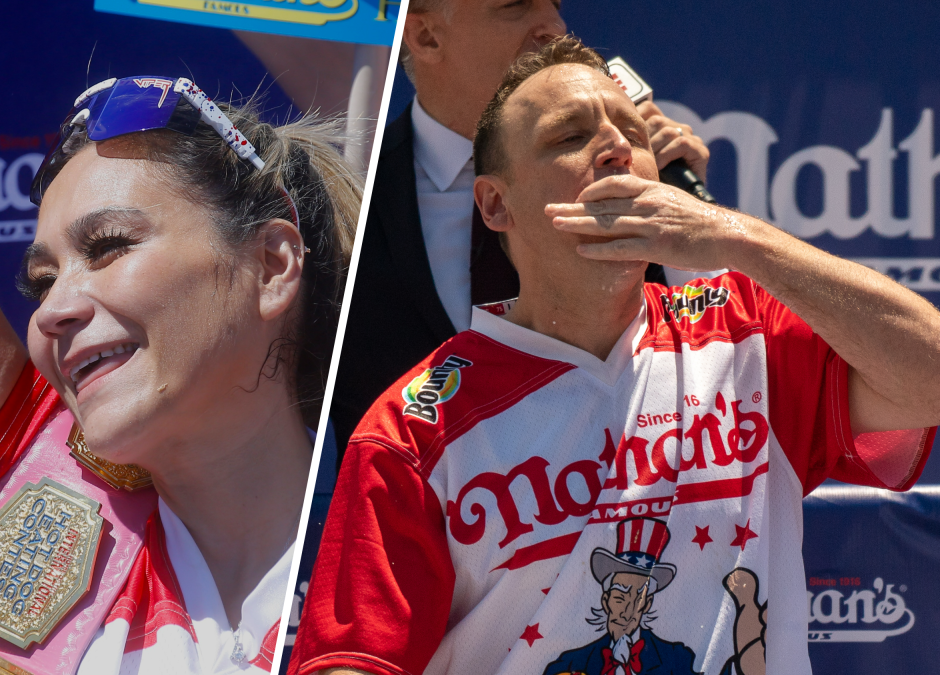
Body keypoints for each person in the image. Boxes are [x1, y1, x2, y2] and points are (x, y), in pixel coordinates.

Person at [289, 37, 939, 675]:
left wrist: (741, 239)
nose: (614, 147)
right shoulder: (414, 426)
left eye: (633, 131)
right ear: (495, 203)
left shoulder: (746, 334)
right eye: (570, 136)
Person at [0, 1, 360, 673]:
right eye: (41, 279)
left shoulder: (430, 525)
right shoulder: (21, 463)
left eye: (110, 245)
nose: (54, 308)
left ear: (272, 264)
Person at [328, 0, 712, 452]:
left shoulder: (628, 173)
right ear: (427, 36)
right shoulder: (346, 203)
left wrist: (683, 216)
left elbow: (715, 358)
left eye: (555, 5)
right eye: (516, 6)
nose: (555, 29)